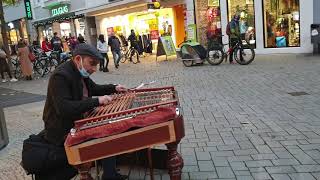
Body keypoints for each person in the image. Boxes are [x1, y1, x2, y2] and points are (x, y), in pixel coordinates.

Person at [38, 43, 128, 180]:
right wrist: (97, 101)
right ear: (78, 59)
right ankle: (107, 174)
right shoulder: (60, 76)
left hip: (76, 121)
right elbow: (64, 108)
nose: (94, 69)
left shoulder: (80, 71)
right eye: (92, 64)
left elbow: (95, 88)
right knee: (105, 132)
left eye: (96, 65)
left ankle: (110, 174)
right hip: (62, 130)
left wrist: (114, 88)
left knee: (109, 129)